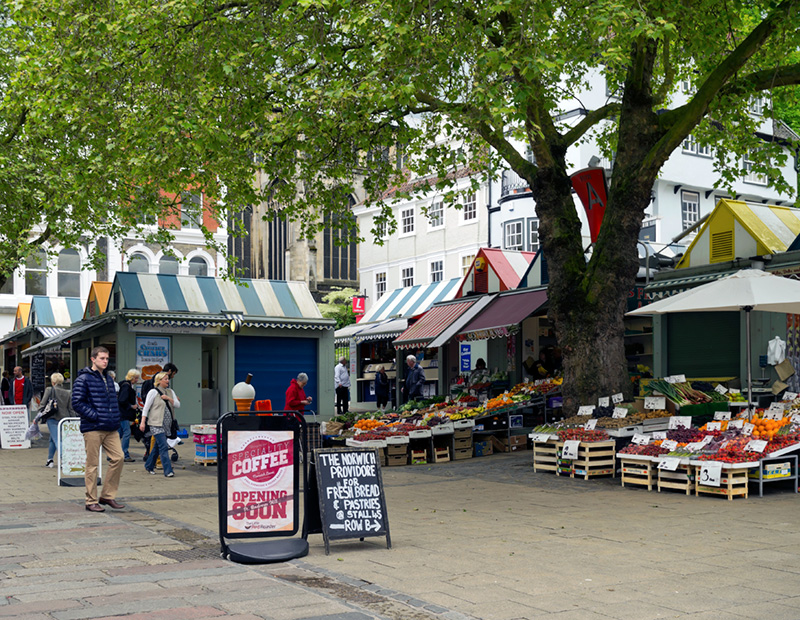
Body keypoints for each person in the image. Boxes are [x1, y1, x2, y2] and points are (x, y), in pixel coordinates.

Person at [71, 346, 125, 513]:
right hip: (93, 427)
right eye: (102, 358)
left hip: (110, 427)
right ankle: (91, 500)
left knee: (119, 457)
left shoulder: (108, 379)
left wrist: (115, 418)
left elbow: (112, 402)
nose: (105, 361)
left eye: (107, 359)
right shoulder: (83, 379)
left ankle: (107, 495)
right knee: (92, 465)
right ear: (93, 359)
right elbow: (77, 402)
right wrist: (95, 416)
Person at [139, 371, 179, 478]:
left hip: (167, 425)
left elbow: (177, 404)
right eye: (165, 379)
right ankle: (168, 470)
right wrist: (142, 422)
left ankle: (149, 465)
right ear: (159, 381)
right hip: (155, 424)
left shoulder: (170, 392)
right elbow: (146, 408)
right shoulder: (153, 392)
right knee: (163, 446)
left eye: (168, 379)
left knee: (157, 446)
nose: (167, 381)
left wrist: (169, 399)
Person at [41, 372, 74, 468]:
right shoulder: (67, 392)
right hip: (64, 419)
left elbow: (43, 404)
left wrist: (38, 416)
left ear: (53, 382)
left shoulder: (49, 390)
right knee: (53, 439)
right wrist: (73, 419)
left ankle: (64, 460)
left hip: (52, 418)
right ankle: (49, 459)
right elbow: (70, 408)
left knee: (57, 439)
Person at [117, 369, 141, 463]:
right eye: (136, 378)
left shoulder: (123, 384)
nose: (137, 380)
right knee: (126, 433)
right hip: (124, 413)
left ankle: (112, 454)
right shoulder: (127, 387)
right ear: (133, 378)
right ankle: (125, 454)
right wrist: (131, 406)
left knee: (118, 434)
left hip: (120, 413)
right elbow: (122, 400)